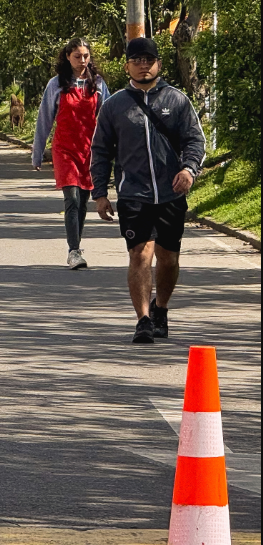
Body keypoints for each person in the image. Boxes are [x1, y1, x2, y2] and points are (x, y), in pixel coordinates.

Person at [90, 36, 205, 344]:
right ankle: (142, 320)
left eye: (149, 60)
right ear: (127, 65)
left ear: (159, 64)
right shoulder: (114, 105)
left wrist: (188, 170)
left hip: (171, 194)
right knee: (141, 254)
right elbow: (100, 151)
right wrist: (100, 193)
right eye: (137, 61)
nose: (143, 66)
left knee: (168, 258)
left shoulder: (177, 101)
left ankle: (161, 309)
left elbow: (196, 140)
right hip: (133, 194)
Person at [32, 38, 111, 270]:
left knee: (84, 201)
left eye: (86, 56)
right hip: (64, 149)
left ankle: (77, 245)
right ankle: (73, 251)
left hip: (89, 149)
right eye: (77, 56)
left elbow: (107, 119)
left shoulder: (97, 84)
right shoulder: (56, 84)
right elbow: (44, 119)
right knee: (72, 198)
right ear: (67, 57)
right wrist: (37, 154)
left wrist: (114, 151)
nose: (82, 61)